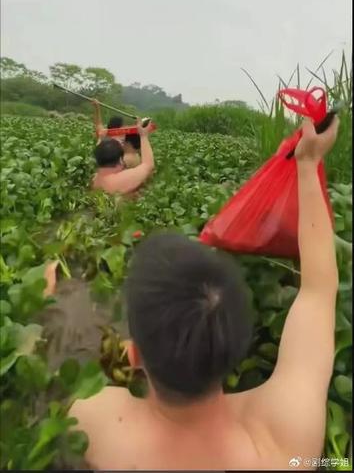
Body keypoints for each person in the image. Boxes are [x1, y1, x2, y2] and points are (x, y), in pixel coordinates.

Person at [70, 117, 340, 470]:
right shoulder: (289, 445)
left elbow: (82, 380)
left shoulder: (94, 420)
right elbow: (319, 291)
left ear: (134, 355)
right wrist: (307, 164)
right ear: (235, 348)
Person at [92, 118, 154, 195]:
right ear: (120, 160)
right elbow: (148, 165)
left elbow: (100, 151)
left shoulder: (95, 179)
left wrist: (101, 138)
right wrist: (143, 135)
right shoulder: (121, 179)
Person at [93, 100, 141, 169]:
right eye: (123, 125)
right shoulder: (121, 135)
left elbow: (98, 124)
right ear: (120, 126)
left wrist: (97, 108)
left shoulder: (104, 135)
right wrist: (138, 124)